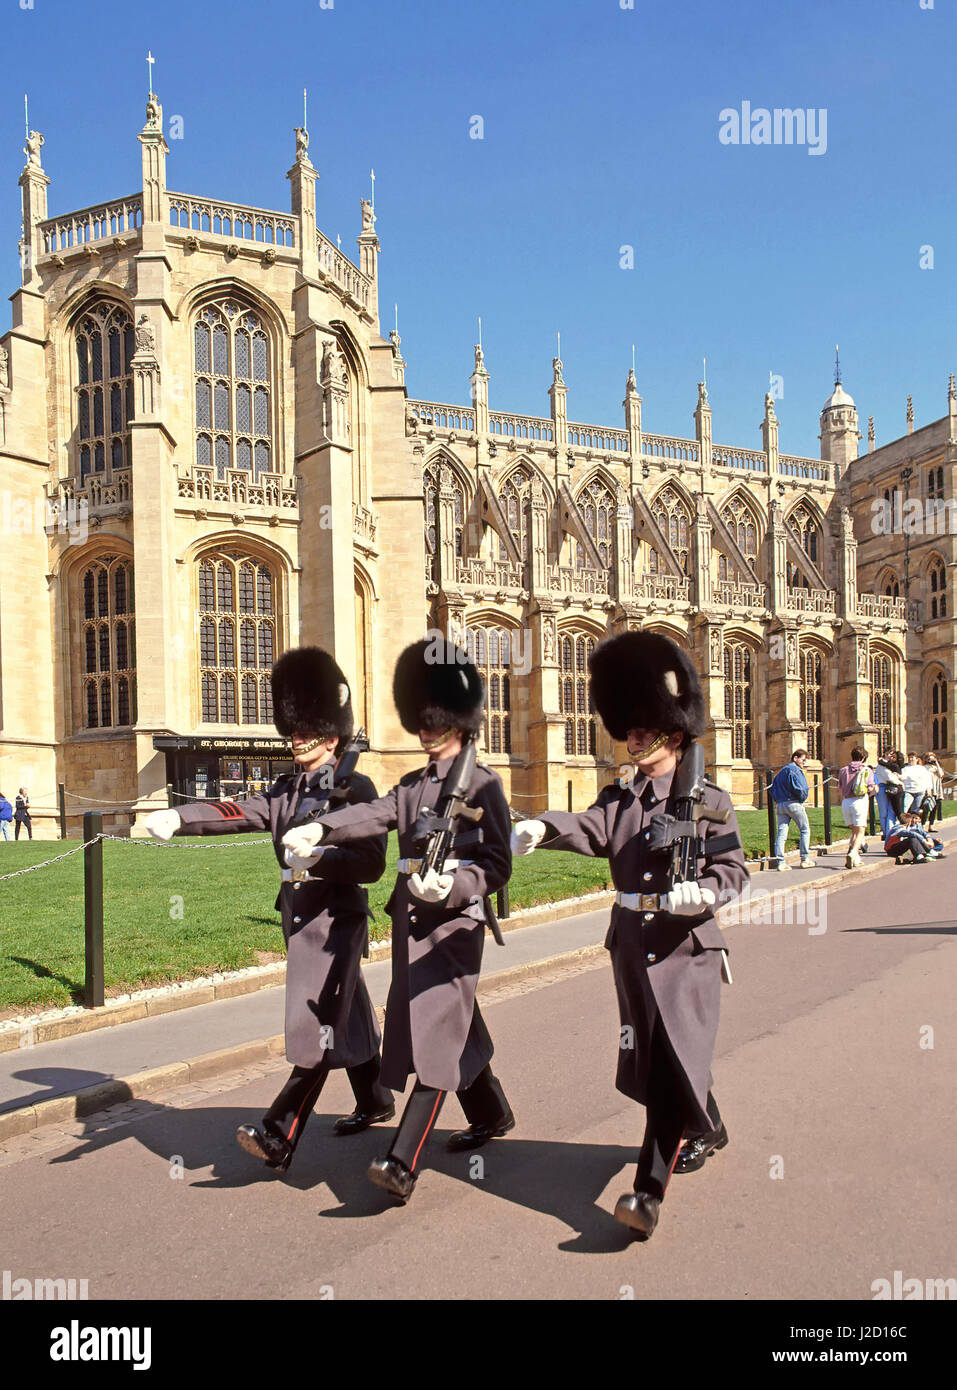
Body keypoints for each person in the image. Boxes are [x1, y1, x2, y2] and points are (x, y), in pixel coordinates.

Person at [511, 630, 749, 1240]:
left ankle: (646, 1195)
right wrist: (542, 825)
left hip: (686, 948)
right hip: (632, 945)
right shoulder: (622, 798)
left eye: (642, 731)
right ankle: (709, 1125)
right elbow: (591, 828)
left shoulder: (711, 801)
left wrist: (707, 894)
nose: (630, 739)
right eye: (629, 730)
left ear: (671, 734)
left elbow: (733, 869)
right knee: (657, 1059)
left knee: (671, 1067)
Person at [145, 647, 393, 1174]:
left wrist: (321, 857)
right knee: (343, 1014)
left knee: (316, 1024)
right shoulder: (286, 789)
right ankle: (375, 1100)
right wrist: (180, 817)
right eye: (294, 730)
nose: (296, 739)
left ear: (331, 736)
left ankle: (279, 1133)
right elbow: (236, 810)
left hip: (335, 925)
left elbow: (370, 864)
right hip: (298, 919)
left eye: (307, 731)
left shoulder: (357, 789)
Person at [283, 637, 514, 1203]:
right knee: (446, 1021)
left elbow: (497, 863)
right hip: (412, 919)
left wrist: (455, 885)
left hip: (455, 923)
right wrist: (325, 828)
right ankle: (490, 1109)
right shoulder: (412, 785)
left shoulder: (484, 784)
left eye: (435, 721)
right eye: (422, 722)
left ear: (458, 722)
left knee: (435, 1029)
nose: (426, 731)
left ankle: (401, 1160)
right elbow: (375, 813)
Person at [770, 750, 813, 870]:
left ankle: (781, 862)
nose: (804, 763)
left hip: (780, 805)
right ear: (795, 758)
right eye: (803, 760)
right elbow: (802, 789)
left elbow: (773, 789)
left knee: (782, 833)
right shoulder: (795, 770)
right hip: (793, 803)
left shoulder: (781, 772)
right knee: (805, 830)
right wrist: (801, 799)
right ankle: (805, 859)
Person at [837, 747, 876, 869]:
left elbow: (840, 787)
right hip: (859, 801)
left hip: (846, 802)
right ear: (863, 758)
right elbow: (870, 788)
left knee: (854, 831)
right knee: (860, 831)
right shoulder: (866, 770)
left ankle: (856, 859)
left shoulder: (843, 770)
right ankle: (853, 852)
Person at [872, 749, 904, 837]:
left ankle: (890, 831)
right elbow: (889, 776)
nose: (890, 756)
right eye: (888, 754)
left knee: (891, 810)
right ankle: (887, 833)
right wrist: (900, 782)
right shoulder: (882, 765)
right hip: (883, 787)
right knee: (884, 812)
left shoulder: (890, 764)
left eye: (891, 754)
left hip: (890, 787)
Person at [899, 753, 931, 818]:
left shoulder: (922, 768)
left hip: (920, 791)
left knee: (916, 810)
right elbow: (903, 777)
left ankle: (914, 824)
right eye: (909, 758)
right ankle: (903, 821)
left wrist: (929, 789)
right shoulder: (905, 769)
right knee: (905, 807)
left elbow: (927, 779)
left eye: (912, 758)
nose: (911, 759)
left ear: (916, 759)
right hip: (909, 791)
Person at [923, 753, 944, 828]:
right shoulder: (924, 768)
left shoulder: (936, 768)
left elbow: (941, 774)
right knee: (926, 808)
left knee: (934, 809)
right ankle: (923, 825)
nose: (930, 760)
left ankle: (931, 825)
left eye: (932, 758)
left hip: (936, 790)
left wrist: (936, 763)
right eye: (929, 758)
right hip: (929, 789)